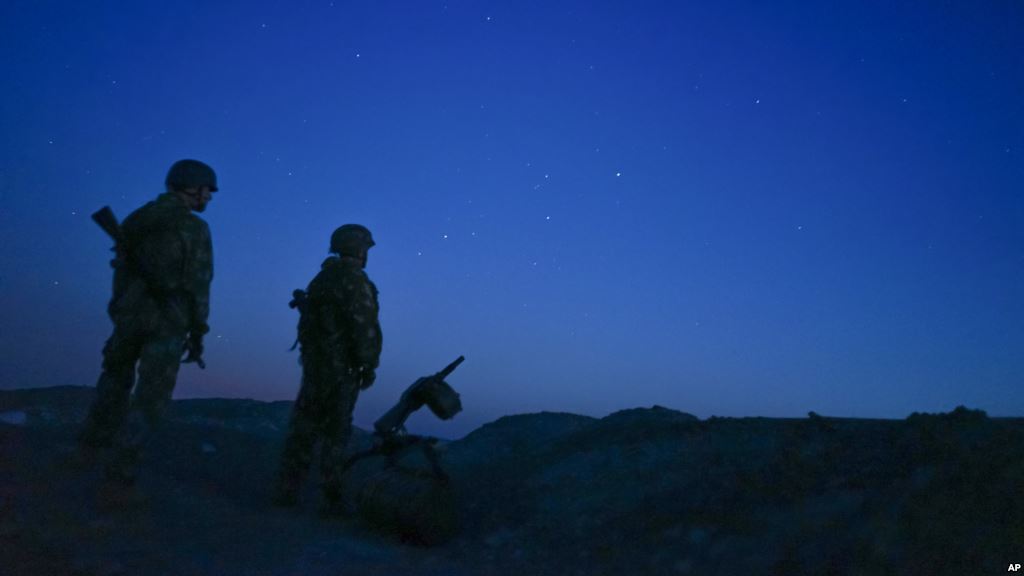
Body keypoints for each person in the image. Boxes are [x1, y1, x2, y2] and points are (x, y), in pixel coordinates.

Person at [78, 159, 216, 486]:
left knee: (113, 383)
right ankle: (120, 475)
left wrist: (122, 312)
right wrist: (198, 330)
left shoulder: (138, 219)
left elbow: (121, 273)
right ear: (191, 187)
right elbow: (200, 284)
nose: (209, 198)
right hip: (167, 323)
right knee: (151, 398)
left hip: (129, 317)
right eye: (207, 191)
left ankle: (88, 451)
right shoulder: (194, 228)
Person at [274, 224, 382, 516]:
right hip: (341, 370)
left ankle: (287, 489)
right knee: (336, 434)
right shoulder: (355, 281)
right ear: (359, 250)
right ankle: (331, 499)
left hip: (315, 367)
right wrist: (369, 365)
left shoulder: (322, 278)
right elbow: (364, 329)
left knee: (304, 428)